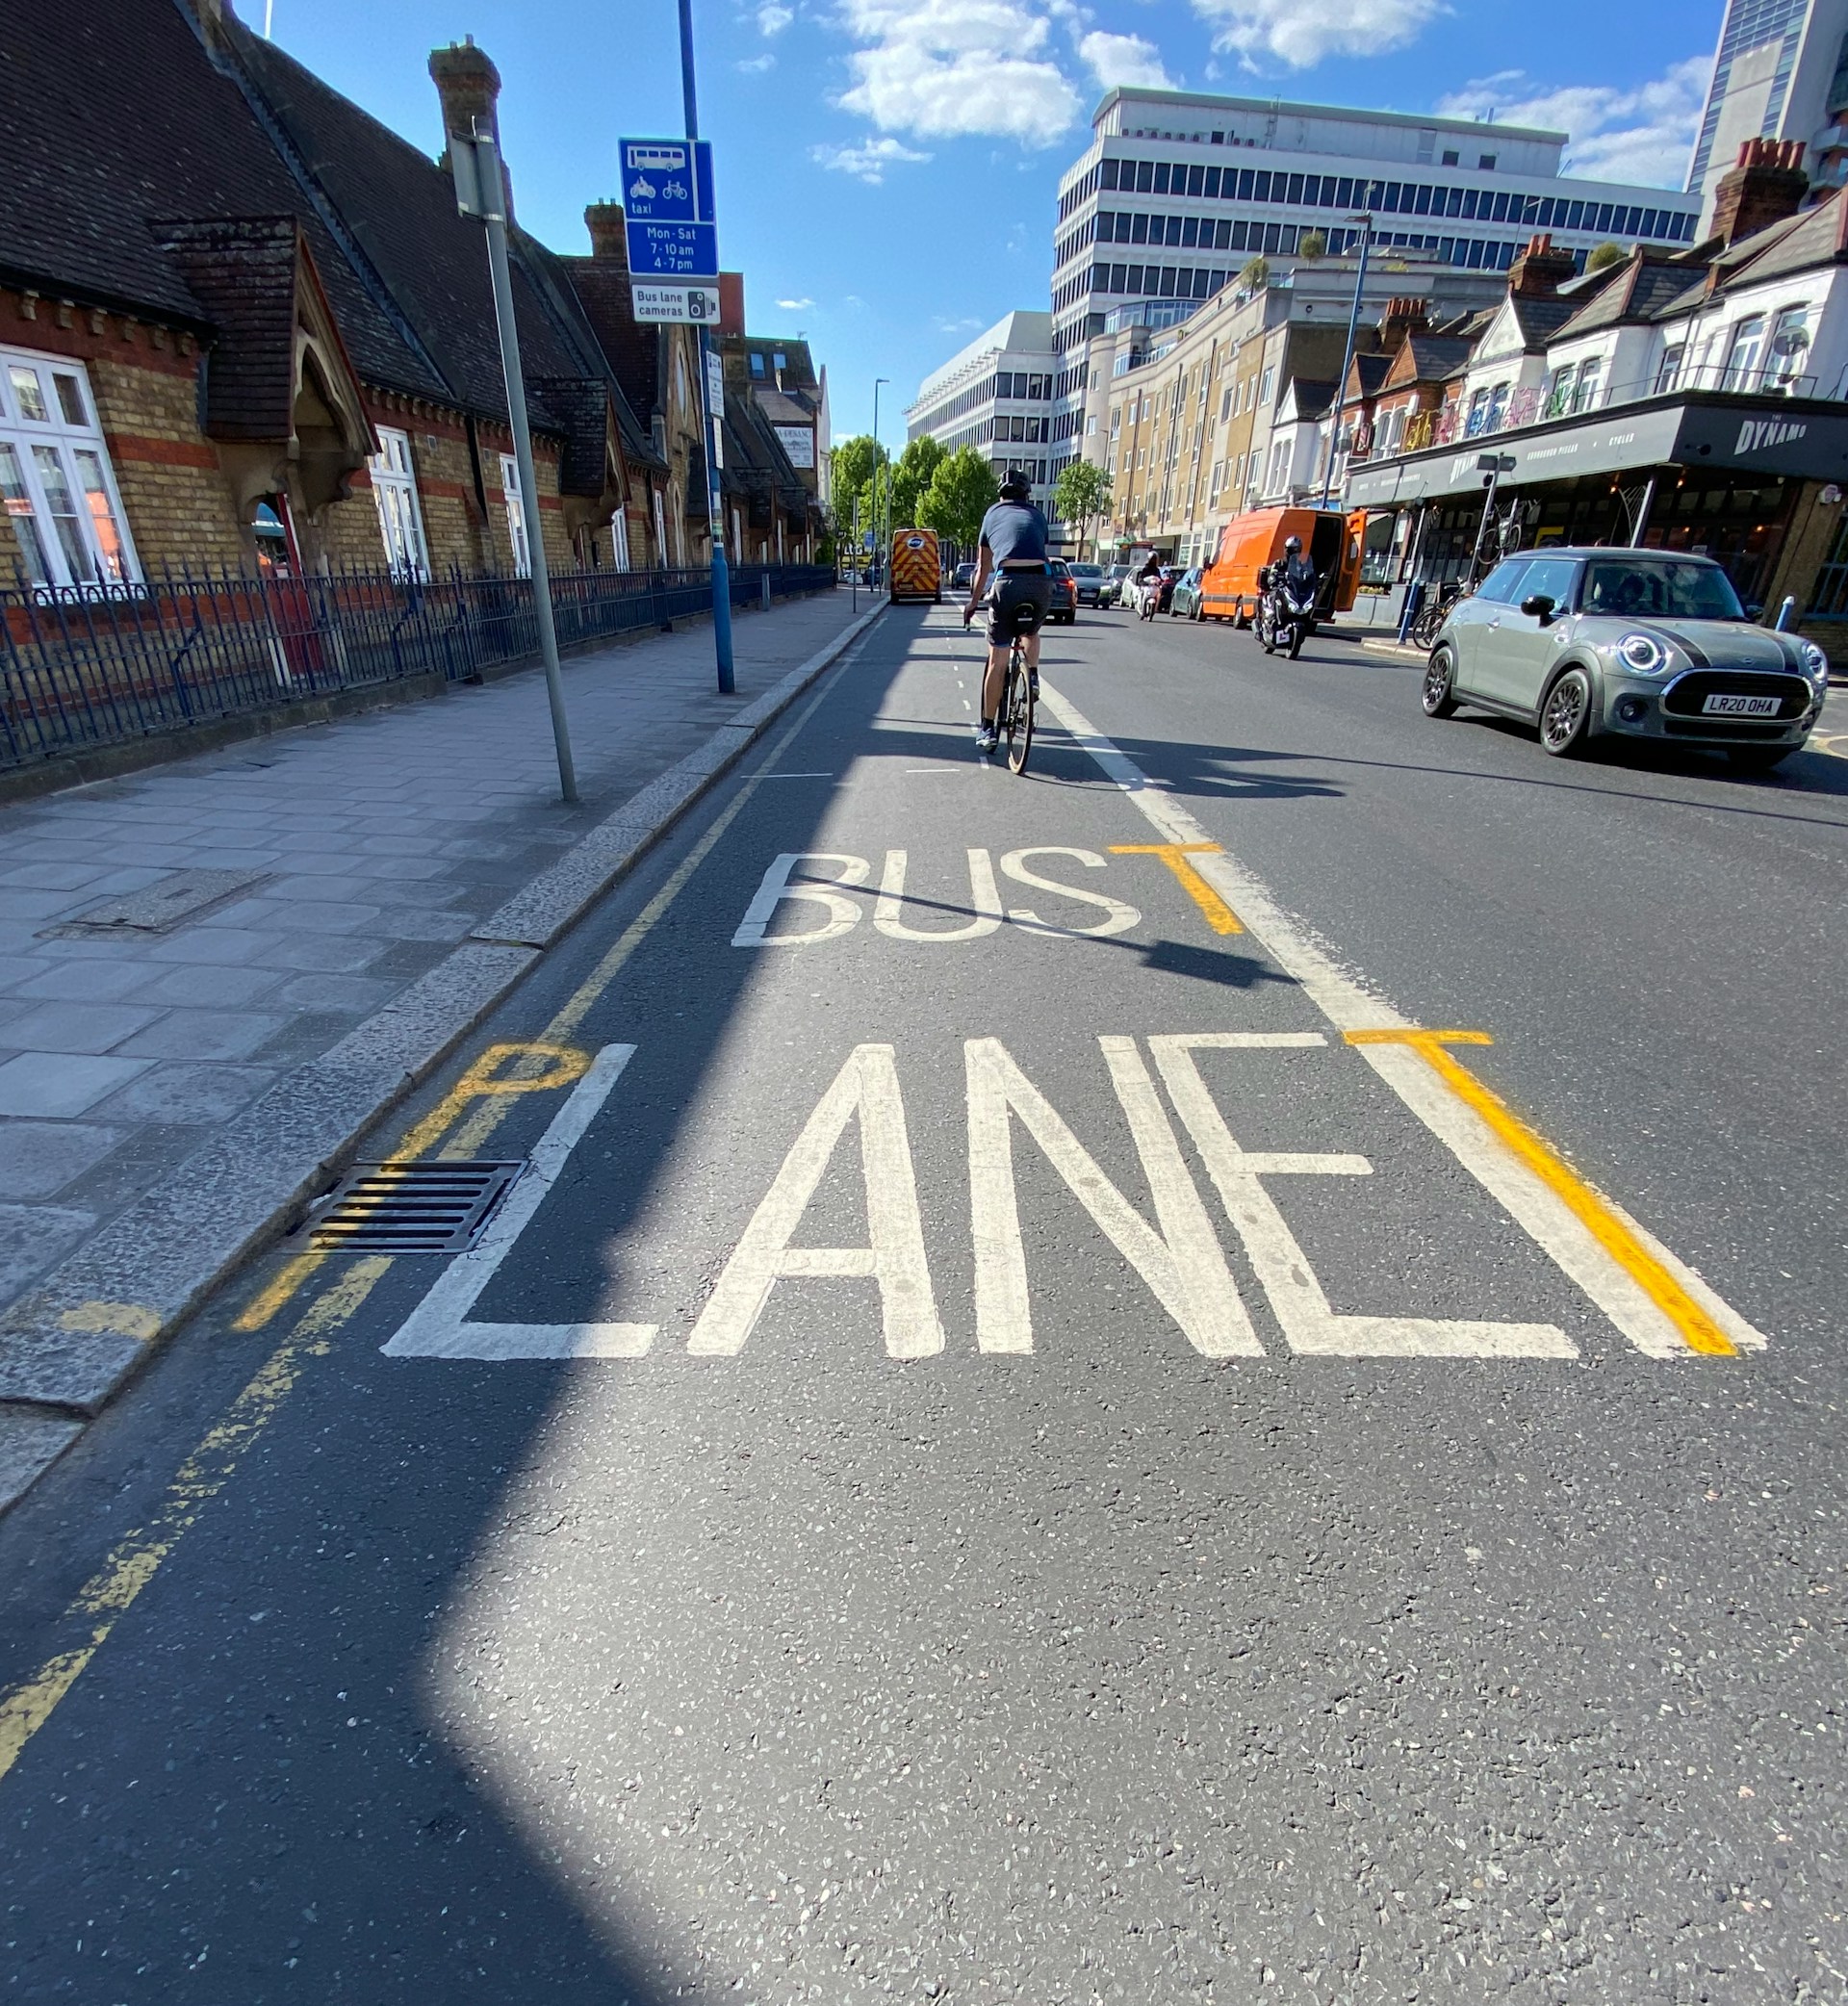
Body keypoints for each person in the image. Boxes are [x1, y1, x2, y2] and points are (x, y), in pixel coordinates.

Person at [962, 473, 1053, 754]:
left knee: (997, 660)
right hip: (1042, 583)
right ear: (1026, 495)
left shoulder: (992, 515)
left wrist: (972, 603)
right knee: (1030, 631)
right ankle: (1033, 675)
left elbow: (984, 567)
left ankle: (988, 728)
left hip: (1008, 584)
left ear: (1001, 495)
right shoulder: (1038, 516)